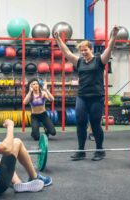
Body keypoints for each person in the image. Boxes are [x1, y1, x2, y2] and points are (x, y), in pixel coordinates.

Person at [54, 26, 120, 161]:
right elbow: (66, 52)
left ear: (91, 49)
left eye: (85, 50)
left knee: (95, 124)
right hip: (82, 96)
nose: (83, 52)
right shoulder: (79, 62)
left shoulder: (99, 61)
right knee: (81, 123)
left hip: (96, 97)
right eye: (81, 50)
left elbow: (109, 49)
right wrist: (58, 39)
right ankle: (81, 150)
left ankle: (100, 150)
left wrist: (113, 36)